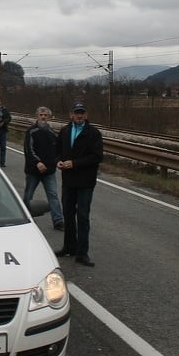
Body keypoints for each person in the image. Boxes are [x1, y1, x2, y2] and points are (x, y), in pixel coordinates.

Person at [53, 102, 102, 266]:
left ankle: (82, 253)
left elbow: (96, 157)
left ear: (86, 115)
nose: (79, 115)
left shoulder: (93, 133)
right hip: (68, 181)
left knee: (82, 217)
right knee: (67, 214)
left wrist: (74, 163)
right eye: (76, 112)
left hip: (85, 182)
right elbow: (57, 150)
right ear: (71, 114)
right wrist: (58, 161)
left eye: (82, 113)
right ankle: (69, 247)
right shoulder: (65, 131)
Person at [23, 107, 64, 230]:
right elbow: (28, 150)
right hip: (33, 170)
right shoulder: (31, 131)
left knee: (53, 195)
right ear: (37, 116)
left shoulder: (52, 132)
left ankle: (58, 221)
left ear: (49, 117)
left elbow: (56, 150)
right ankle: (25, 218)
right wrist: (38, 162)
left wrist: (56, 162)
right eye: (41, 114)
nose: (43, 117)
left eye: (45, 115)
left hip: (49, 171)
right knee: (28, 195)